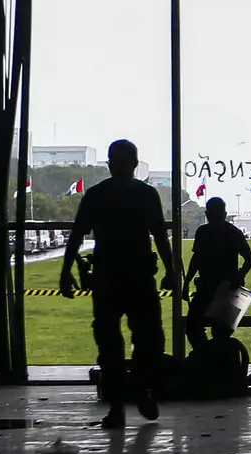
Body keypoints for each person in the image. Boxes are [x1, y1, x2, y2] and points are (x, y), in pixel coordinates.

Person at [60, 139, 175, 429]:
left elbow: (77, 235)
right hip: (138, 277)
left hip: (108, 278)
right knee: (149, 341)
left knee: (110, 346)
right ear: (136, 164)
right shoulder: (146, 195)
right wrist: (172, 270)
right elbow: (160, 235)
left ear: (110, 164)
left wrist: (66, 271)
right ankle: (140, 388)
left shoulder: (97, 196)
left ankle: (117, 408)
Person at [182, 197, 251, 353]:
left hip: (209, 288)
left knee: (194, 327)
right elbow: (249, 259)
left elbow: (196, 259)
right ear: (225, 213)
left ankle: (205, 357)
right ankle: (214, 360)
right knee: (219, 334)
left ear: (207, 214)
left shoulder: (203, 232)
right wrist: (239, 276)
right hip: (226, 289)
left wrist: (187, 281)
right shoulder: (233, 233)